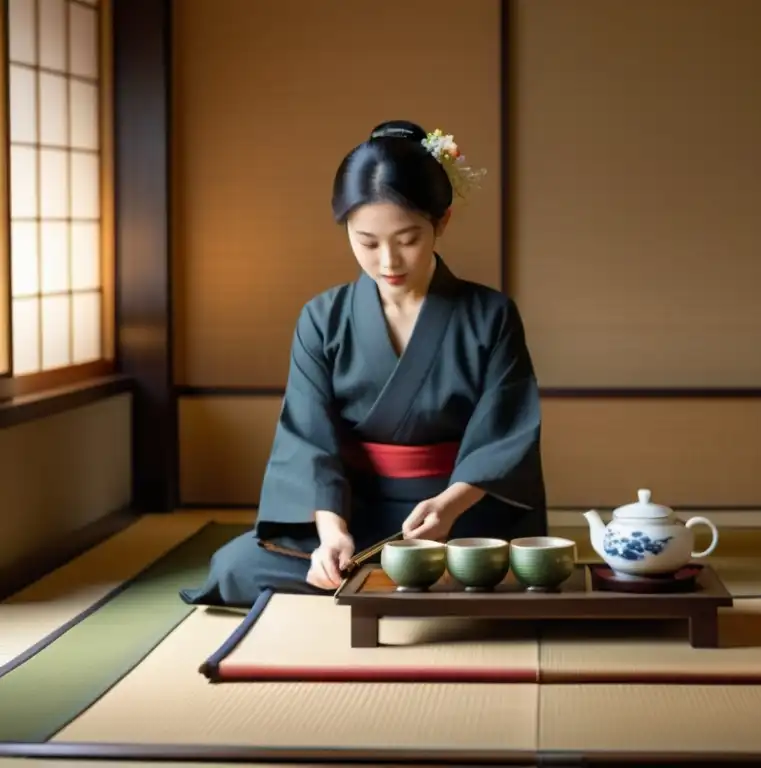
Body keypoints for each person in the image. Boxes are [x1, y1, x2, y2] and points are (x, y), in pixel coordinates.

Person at [180, 120, 547, 608]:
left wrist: (447, 506)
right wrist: (330, 531)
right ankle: (372, 579)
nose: (389, 260)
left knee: (494, 567)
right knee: (234, 568)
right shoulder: (322, 318)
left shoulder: (490, 315)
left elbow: (505, 435)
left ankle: (389, 585)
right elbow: (307, 437)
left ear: (443, 222)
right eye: (367, 241)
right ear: (347, 229)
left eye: (408, 238)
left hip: (455, 515)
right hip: (355, 513)